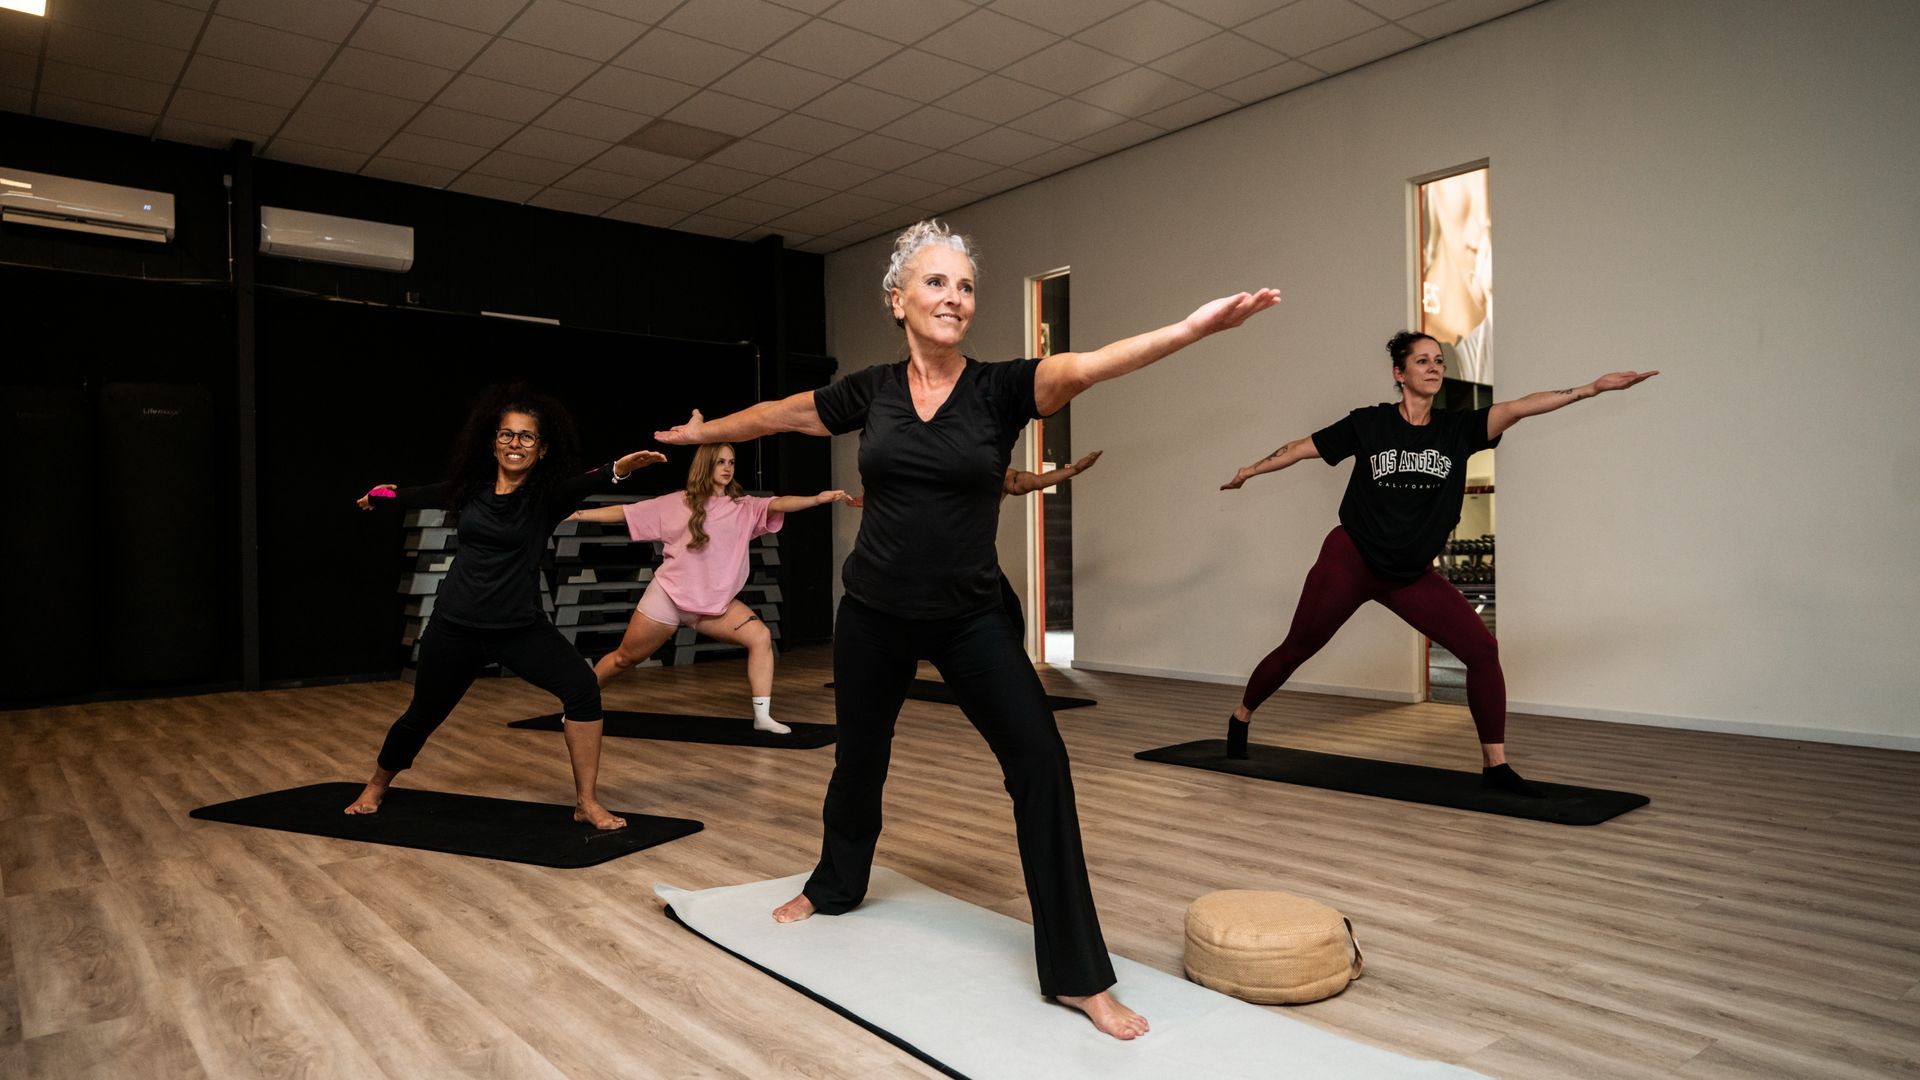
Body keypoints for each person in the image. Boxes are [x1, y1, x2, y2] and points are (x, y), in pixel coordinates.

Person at [657, 219, 1279, 1040]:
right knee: (859, 760)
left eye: (965, 286)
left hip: (970, 618)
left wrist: (1194, 328)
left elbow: (1091, 365)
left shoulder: (1002, 389)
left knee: (1041, 767)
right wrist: (702, 434)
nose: (954, 298)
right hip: (873, 613)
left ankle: (1078, 975)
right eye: (936, 283)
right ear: (899, 300)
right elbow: (782, 414)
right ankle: (837, 883)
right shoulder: (870, 391)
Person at [1219, 331, 1656, 793]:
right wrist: (1250, 470)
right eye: (1422, 361)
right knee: (1298, 648)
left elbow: (1520, 407)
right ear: (1399, 373)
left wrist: (1590, 388)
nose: (1434, 368)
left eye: (1439, 361)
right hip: (1350, 560)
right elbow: (1300, 447)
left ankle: (1496, 766)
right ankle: (1241, 716)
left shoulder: (1458, 429)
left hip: (1407, 574)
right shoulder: (1368, 424)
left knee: (1482, 651)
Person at [346, 385, 667, 829]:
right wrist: (381, 496)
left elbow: (587, 481)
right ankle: (378, 784)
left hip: (518, 628)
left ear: (542, 448)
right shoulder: (469, 489)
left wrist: (619, 470)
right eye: (507, 435)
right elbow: (414, 495)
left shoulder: (547, 497)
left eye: (527, 437)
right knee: (423, 714)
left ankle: (586, 803)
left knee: (582, 690)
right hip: (455, 625)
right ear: (493, 440)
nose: (515, 444)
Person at [566, 443, 851, 734]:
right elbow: (626, 513)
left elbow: (780, 503)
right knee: (624, 657)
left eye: (732, 462)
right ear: (706, 466)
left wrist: (817, 499)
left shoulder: (744, 507)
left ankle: (762, 717)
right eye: (720, 462)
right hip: (669, 597)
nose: (728, 468)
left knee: (760, 637)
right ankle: (578, 705)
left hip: (714, 606)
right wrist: (578, 515)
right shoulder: (678, 503)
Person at [997, 449, 1102, 634]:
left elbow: (1037, 481)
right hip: (944, 560)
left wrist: (1075, 469)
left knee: (1010, 614)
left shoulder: (1002, 475)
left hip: (982, 563)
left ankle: (1013, 660)